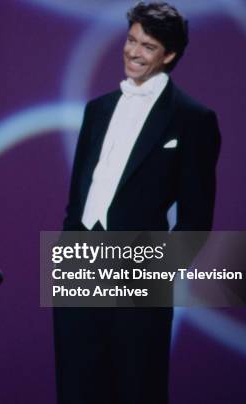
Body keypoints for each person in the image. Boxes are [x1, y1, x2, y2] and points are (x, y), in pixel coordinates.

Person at [54, 2, 221, 403]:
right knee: (77, 388)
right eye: (131, 40)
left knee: (135, 388)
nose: (133, 52)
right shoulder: (97, 110)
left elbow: (196, 220)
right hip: (81, 265)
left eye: (147, 46)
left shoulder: (193, 119)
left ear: (169, 55)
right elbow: (78, 196)